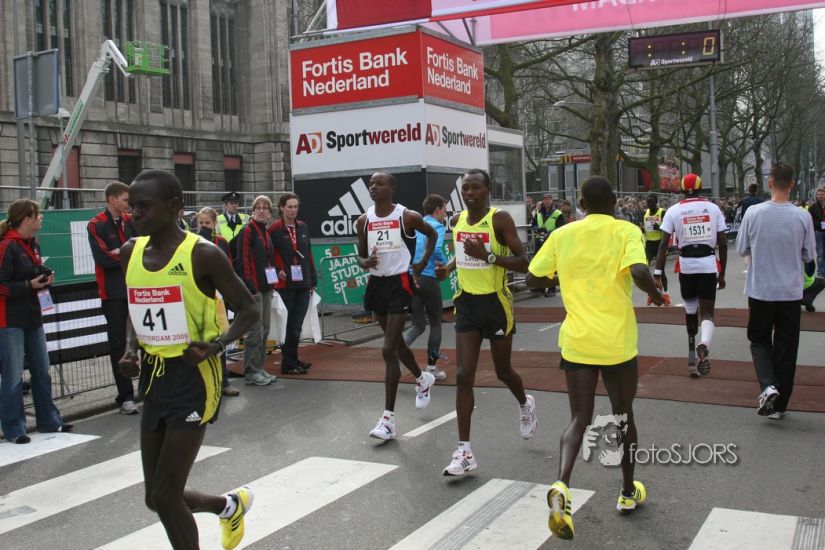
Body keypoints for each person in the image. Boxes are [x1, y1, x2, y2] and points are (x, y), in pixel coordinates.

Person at [118, 170, 259, 550]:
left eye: (144, 206)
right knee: (156, 498)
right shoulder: (130, 251)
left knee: (166, 495)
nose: (135, 214)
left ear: (174, 207)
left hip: (194, 376)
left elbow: (249, 309)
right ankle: (228, 506)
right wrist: (131, 348)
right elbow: (136, 306)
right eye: (131, 207)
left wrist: (217, 346)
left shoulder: (203, 254)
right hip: (154, 376)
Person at [526, 176, 664, 540]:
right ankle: (627, 492)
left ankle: (561, 484)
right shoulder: (626, 231)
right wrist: (657, 295)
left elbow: (533, 280)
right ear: (615, 201)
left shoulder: (562, 234)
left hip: (578, 341)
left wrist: (564, 278)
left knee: (579, 419)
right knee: (623, 416)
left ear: (581, 205)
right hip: (617, 343)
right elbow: (639, 271)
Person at [435, 169, 537, 476]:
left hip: (496, 303)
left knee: (503, 371)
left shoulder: (499, 220)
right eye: (465, 188)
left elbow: (524, 263)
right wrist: (448, 268)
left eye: (476, 187)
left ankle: (525, 403)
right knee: (464, 375)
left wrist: (488, 256)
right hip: (467, 303)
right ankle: (464, 451)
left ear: (488, 189)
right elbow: (463, 254)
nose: (469, 193)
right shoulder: (456, 220)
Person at [356, 172, 438, 441]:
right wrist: (365, 262)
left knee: (388, 349)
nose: (373, 187)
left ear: (392, 188)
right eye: (371, 184)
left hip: (400, 283)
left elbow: (432, 235)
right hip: (377, 284)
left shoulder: (407, 216)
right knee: (398, 344)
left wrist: (422, 262)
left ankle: (388, 420)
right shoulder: (364, 220)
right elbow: (360, 256)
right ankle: (422, 378)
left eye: (379, 184)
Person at [736, 163, 816, 420]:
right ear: (792, 184)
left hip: (761, 289)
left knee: (759, 339)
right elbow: (809, 254)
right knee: (786, 346)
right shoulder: (802, 216)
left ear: (770, 183)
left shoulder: (754, 213)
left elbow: (742, 248)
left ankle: (768, 385)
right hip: (790, 292)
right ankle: (780, 405)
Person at [0, 199, 72, 444]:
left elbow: (30, 276)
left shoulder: (33, 243)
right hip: (10, 320)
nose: (41, 217)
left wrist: (43, 279)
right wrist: (28, 285)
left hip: (33, 316)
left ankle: (49, 421)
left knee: (42, 370)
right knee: (13, 376)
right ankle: (14, 428)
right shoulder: (7, 246)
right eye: (38, 214)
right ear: (27, 219)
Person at [653, 173, 727, 377]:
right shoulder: (713, 209)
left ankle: (692, 357)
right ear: (701, 189)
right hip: (708, 264)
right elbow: (722, 243)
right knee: (707, 313)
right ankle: (705, 343)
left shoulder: (673, 211)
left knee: (691, 309)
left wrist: (657, 273)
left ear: (682, 190)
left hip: (686, 265)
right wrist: (722, 274)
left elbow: (663, 245)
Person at [87, 181, 140, 414]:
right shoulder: (96, 224)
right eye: (126, 200)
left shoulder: (130, 221)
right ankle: (125, 396)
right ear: (112, 199)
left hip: (137, 289)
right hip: (113, 293)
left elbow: (144, 249)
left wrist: (121, 251)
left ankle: (150, 390)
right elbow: (104, 259)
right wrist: (127, 253)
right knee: (119, 344)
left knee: (147, 339)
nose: (129, 204)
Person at [269, 193, 317, 375]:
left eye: (295, 207)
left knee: (297, 325)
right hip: (285, 285)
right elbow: (268, 255)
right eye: (289, 207)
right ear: (282, 208)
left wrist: (313, 279)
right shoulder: (274, 229)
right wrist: (276, 271)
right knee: (288, 325)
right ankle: (288, 364)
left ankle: (293, 359)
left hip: (303, 283)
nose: (293, 210)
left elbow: (308, 253)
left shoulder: (303, 227)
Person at [403, 194, 449, 380]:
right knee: (436, 323)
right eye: (444, 211)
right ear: (437, 210)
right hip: (429, 277)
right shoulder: (437, 226)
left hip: (413, 276)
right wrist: (446, 265)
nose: (445, 215)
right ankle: (431, 368)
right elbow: (436, 248)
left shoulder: (416, 224)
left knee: (418, 324)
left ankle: (397, 350)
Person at [196, 207, 240, 397]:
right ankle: (202, 384)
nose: (204, 226)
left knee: (219, 338)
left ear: (214, 223)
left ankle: (224, 382)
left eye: (207, 223)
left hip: (218, 298)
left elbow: (228, 269)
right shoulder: (192, 241)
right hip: (199, 297)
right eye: (201, 223)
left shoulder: (221, 242)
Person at [235, 195, 278, 386]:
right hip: (254, 289)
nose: (261, 211)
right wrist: (249, 286)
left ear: (269, 212)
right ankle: (251, 371)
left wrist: (273, 283)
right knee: (255, 331)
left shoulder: (265, 231)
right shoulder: (248, 230)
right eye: (258, 208)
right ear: (253, 211)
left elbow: (268, 260)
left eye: (265, 208)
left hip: (266, 287)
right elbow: (243, 259)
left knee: (265, 329)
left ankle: (259, 367)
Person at [533, 193, 566, 296]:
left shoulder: (558, 213)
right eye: (545, 199)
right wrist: (537, 229)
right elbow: (533, 224)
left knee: (551, 265)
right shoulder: (538, 212)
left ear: (552, 200)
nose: (547, 201)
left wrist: (549, 233)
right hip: (539, 241)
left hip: (551, 241)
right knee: (540, 264)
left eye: (548, 199)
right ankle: (541, 287)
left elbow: (561, 228)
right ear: (542, 201)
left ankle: (552, 288)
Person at [642, 194, 671, 306]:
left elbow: (668, 229)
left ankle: (666, 295)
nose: (649, 204)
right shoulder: (645, 213)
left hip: (660, 245)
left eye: (652, 202)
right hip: (649, 245)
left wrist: (659, 228)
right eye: (648, 202)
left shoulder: (662, 212)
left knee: (661, 272)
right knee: (645, 270)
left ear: (656, 202)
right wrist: (642, 229)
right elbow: (643, 227)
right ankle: (651, 294)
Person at [809, 187, 825, 277]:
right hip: (818, 232)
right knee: (820, 252)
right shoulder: (813, 207)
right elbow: (809, 220)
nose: (820, 196)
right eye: (819, 195)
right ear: (816, 196)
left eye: (822, 194)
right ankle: (821, 271)